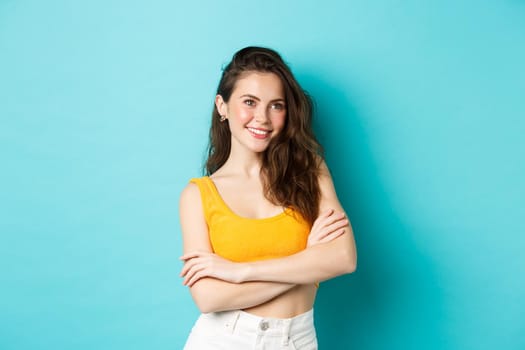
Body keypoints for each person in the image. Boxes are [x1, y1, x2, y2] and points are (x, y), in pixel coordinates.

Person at [179, 46, 357, 349]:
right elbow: (209, 298)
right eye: (249, 102)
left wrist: (240, 272)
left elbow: (343, 259)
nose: (262, 117)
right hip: (225, 339)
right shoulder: (198, 195)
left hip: (297, 339)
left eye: (276, 105)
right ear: (222, 106)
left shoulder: (310, 171)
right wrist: (306, 263)